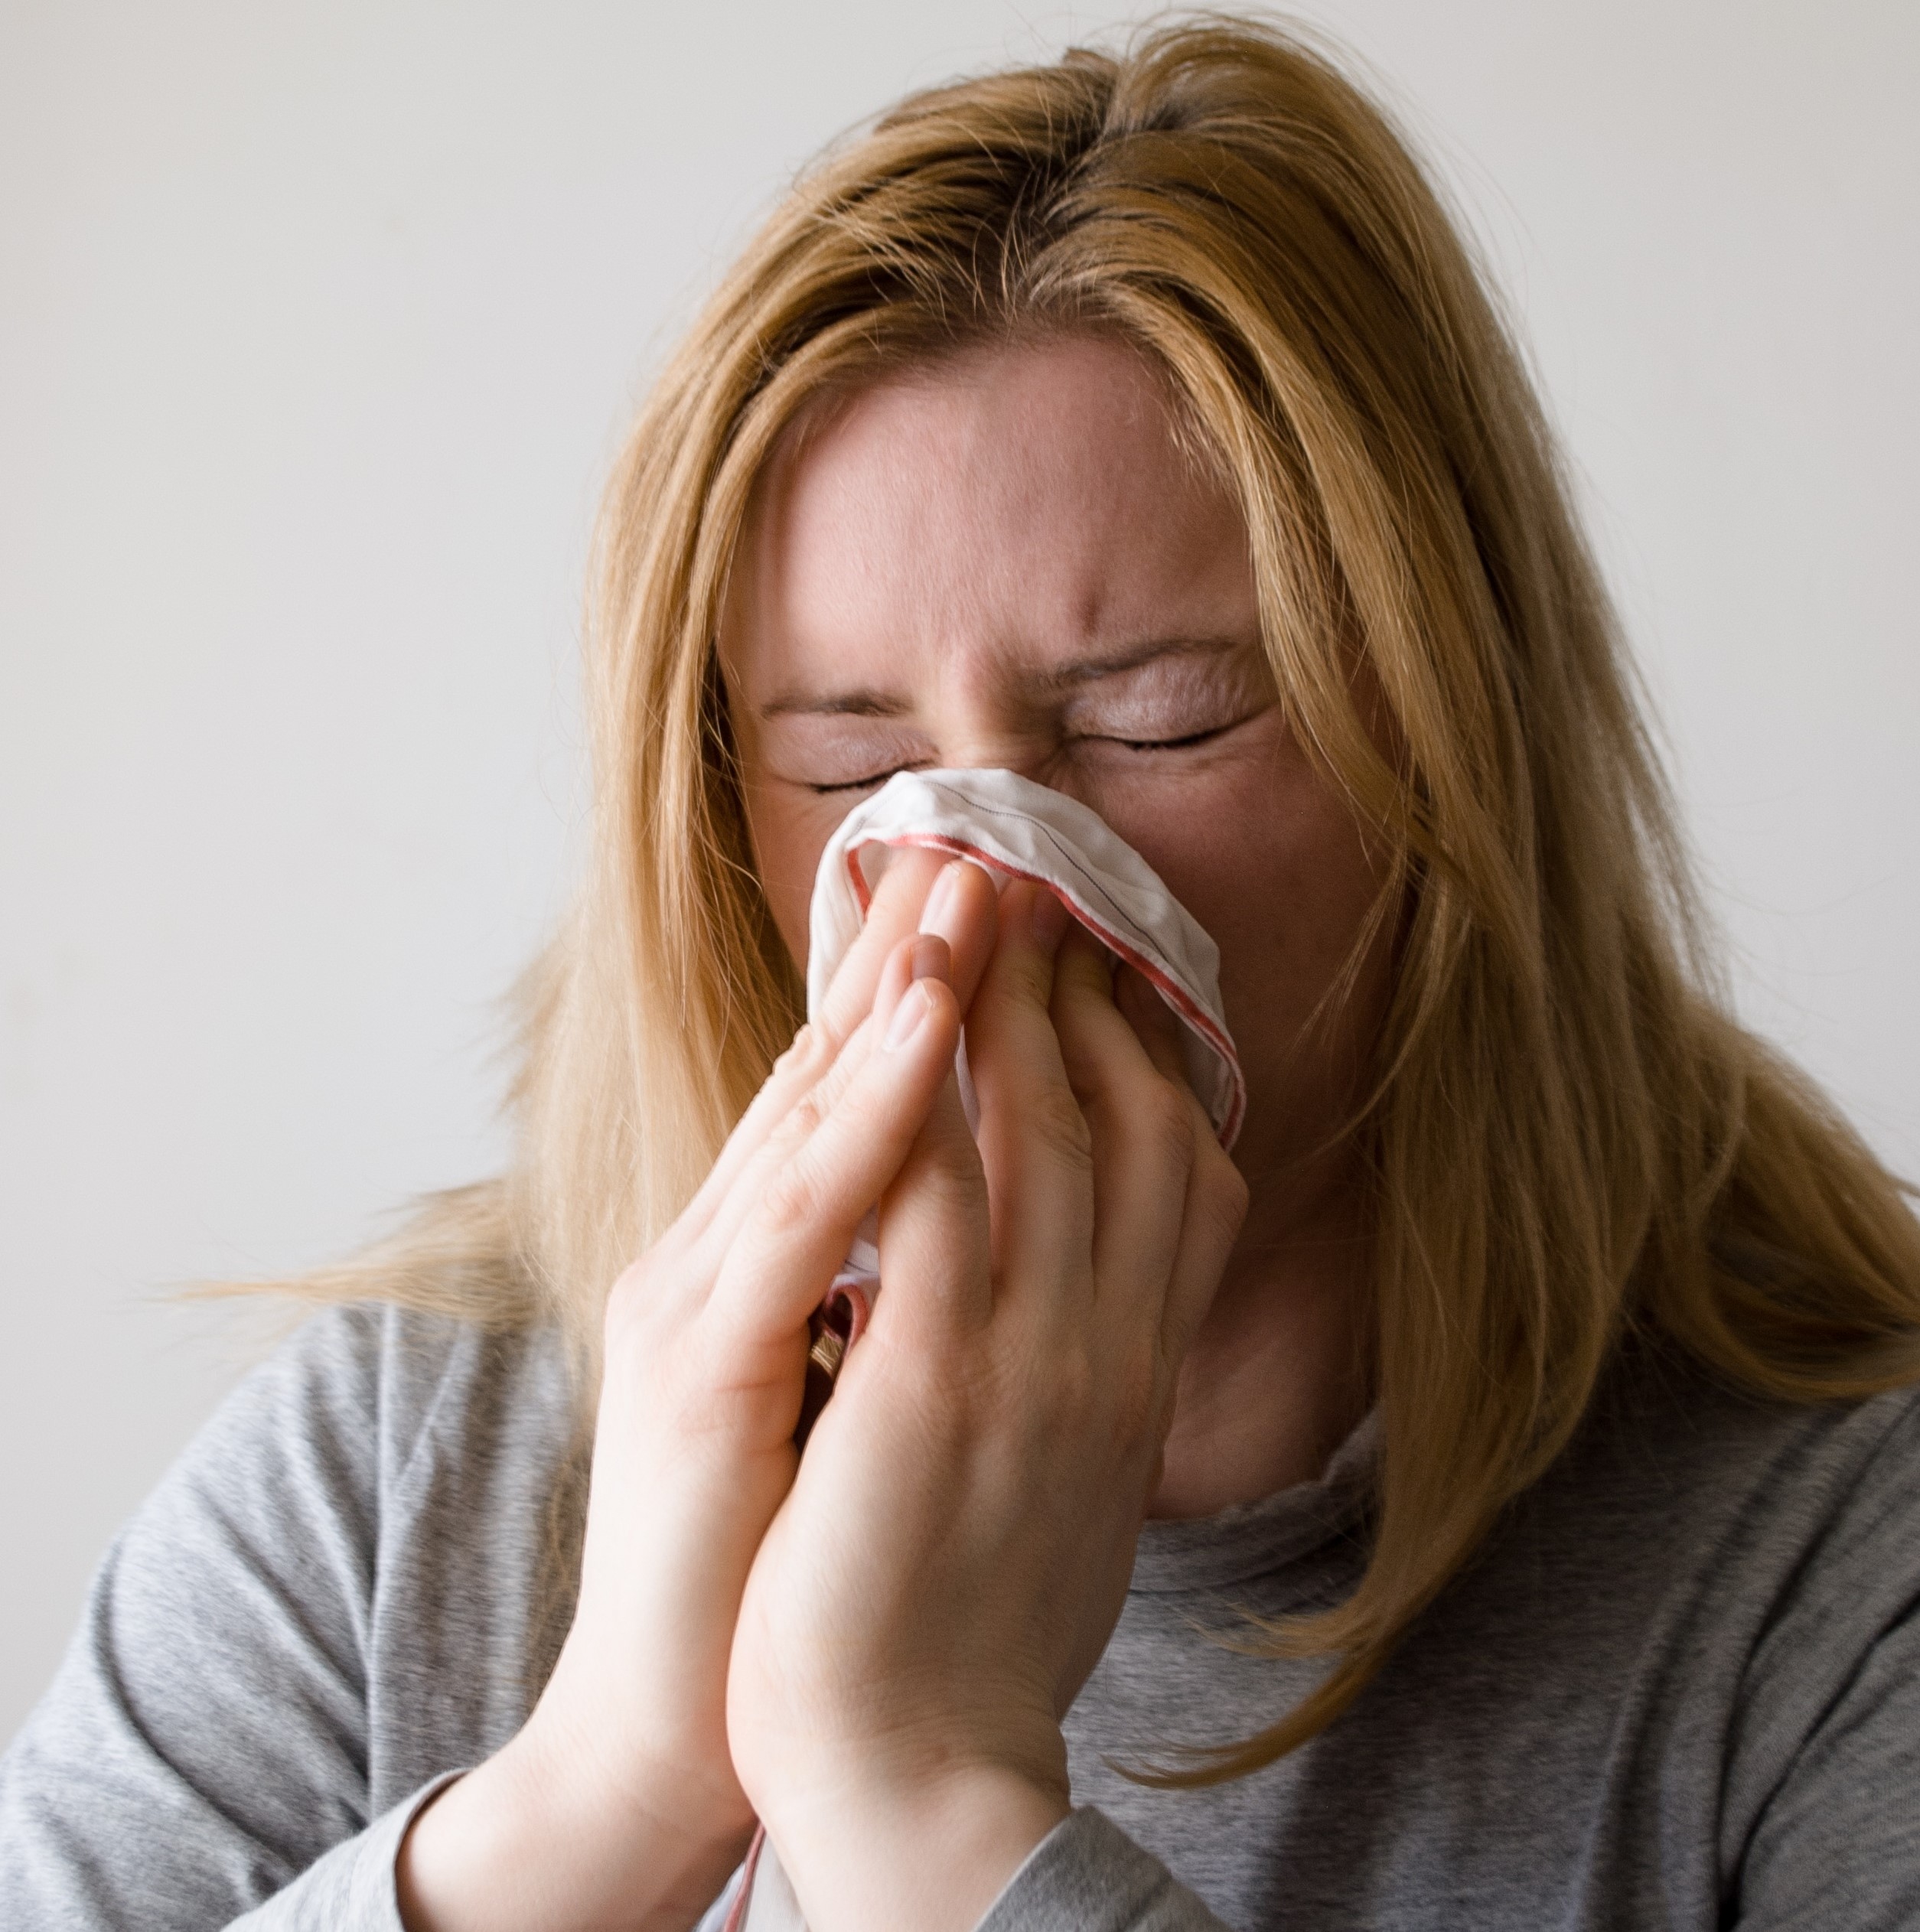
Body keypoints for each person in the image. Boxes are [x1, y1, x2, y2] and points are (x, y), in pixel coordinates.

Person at [4, 16, 1918, 1930]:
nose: (968, 904)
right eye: (848, 770)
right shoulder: (395, 1488)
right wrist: (600, 1799)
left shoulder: (1839, 1563)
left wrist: (915, 1787)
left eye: (1163, 723)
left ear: (1449, 747)